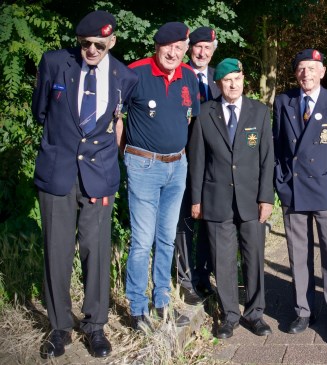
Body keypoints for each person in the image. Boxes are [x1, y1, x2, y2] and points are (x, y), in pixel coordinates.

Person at [32, 10, 138, 358]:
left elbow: (118, 122)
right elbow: (40, 111)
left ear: (112, 42)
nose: (90, 50)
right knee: (57, 252)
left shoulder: (124, 76)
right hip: (58, 173)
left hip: (98, 177)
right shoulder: (55, 64)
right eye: (84, 44)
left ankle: (95, 326)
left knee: (96, 253)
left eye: (98, 45)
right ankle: (59, 326)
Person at [273, 49, 327, 346]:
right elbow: (278, 147)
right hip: (293, 191)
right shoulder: (284, 101)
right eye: (301, 68)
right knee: (298, 256)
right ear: (295, 73)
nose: (306, 73)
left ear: (322, 71)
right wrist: (281, 183)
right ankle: (303, 311)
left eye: (312, 68)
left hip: (326, 193)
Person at [188, 58, 274, 339]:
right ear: (218, 84)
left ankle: (255, 314)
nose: (233, 84)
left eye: (237, 78)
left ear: (243, 79)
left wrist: (266, 198)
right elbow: (197, 161)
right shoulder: (204, 113)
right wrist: (197, 199)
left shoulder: (259, 112)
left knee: (254, 257)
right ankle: (230, 315)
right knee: (222, 260)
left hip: (251, 199)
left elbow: (266, 159)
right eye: (227, 80)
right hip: (216, 199)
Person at [123, 22, 200, 331]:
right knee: (142, 241)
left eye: (179, 48)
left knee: (166, 238)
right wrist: (126, 156)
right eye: (168, 46)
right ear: (157, 46)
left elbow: (190, 117)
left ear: (185, 50)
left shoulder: (190, 77)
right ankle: (137, 308)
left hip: (177, 166)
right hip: (143, 165)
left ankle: (162, 302)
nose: (173, 52)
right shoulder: (135, 73)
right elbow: (116, 117)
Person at [174, 26, 222, 305]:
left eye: (207, 48)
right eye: (198, 47)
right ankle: (185, 278)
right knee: (184, 221)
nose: (202, 53)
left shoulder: (220, 78)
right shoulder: (178, 74)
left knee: (208, 220)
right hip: (184, 157)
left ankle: (203, 276)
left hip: (214, 163)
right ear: (190, 48)